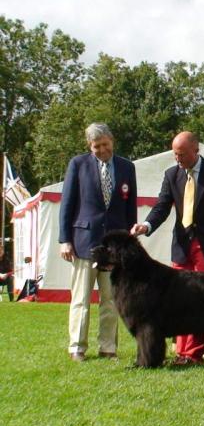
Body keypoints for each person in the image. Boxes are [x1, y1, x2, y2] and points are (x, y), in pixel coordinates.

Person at [131, 131, 204, 365]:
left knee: (202, 299)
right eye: (175, 154)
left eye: (181, 154)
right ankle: (182, 352)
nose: (177, 159)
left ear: (195, 150)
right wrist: (147, 225)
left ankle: (193, 354)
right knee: (177, 298)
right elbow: (162, 206)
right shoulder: (172, 175)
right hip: (181, 245)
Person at [59, 122, 137, 362]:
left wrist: (129, 241)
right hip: (84, 242)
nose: (102, 150)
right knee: (81, 299)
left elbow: (130, 207)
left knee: (111, 298)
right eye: (96, 147)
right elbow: (67, 204)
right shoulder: (78, 164)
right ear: (89, 146)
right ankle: (77, 348)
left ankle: (108, 347)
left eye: (105, 144)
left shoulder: (127, 167)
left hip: (114, 247)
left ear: (112, 140)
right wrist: (65, 240)